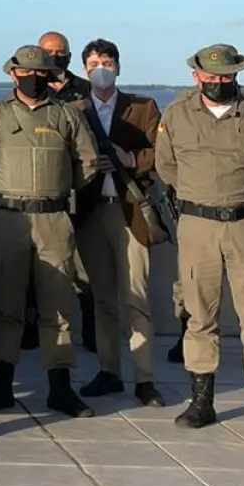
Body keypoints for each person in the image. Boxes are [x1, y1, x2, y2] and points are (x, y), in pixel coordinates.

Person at [155, 43, 244, 439]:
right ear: (196, 75)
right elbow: (166, 166)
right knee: (200, 318)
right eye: (211, 77)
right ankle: (202, 402)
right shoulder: (177, 114)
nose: (218, 83)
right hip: (197, 224)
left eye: (226, 77)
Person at [0, 46, 99, 419]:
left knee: (57, 305)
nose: (34, 78)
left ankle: (60, 387)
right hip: (9, 217)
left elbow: (87, 162)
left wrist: (58, 188)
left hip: (54, 218)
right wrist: (2, 185)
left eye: (41, 73)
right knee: (6, 305)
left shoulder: (66, 115)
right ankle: (2, 385)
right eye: (26, 72)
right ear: (13, 74)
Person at [70, 39, 167, 407]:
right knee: (103, 299)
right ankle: (109, 371)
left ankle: (145, 378)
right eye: (94, 63)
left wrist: (131, 158)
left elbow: (163, 152)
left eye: (107, 62)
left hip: (131, 211)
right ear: (84, 69)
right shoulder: (75, 110)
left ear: (118, 67)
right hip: (93, 212)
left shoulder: (143, 108)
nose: (101, 68)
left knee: (137, 299)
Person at [38, 32, 93, 103]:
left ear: (69, 57)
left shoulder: (87, 88)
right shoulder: (30, 88)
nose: (54, 56)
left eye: (61, 52)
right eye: (48, 52)